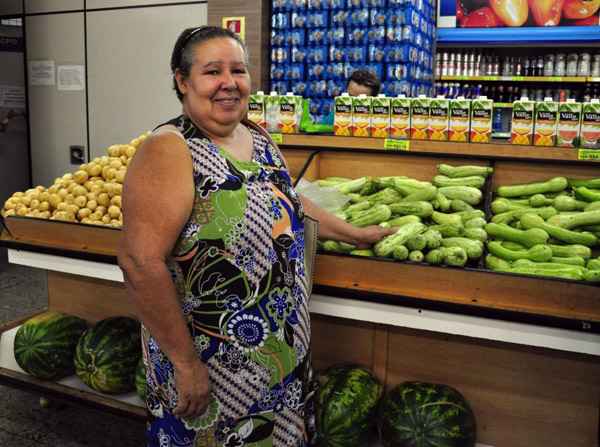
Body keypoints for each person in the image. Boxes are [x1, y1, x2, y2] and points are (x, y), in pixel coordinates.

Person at [118, 26, 393, 447]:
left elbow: (291, 203)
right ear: (182, 80)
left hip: (279, 357)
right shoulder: (170, 148)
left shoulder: (257, 136)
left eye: (238, 70)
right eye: (212, 71)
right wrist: (186, 363)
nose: (229, 82)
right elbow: (140, 262)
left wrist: (356, 235)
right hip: (215, 365)